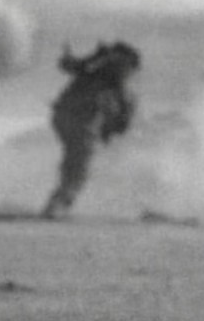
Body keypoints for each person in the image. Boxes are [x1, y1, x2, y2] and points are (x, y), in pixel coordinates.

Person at [41, 41, 140, 219]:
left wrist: (93, 57)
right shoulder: (110, 78)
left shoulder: (93, 72)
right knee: (78, 169)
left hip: (64, 117)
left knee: (74, 164)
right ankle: (56, 206)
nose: (129, 72)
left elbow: (67, 65)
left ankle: (57, 203)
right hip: (80, 122)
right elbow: (122, 117)